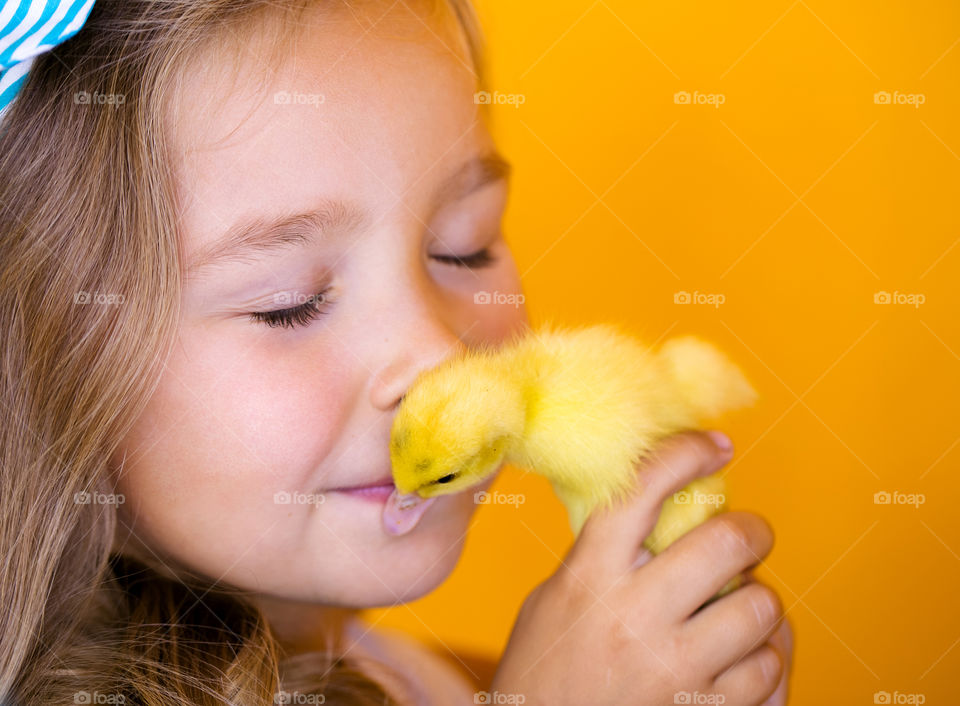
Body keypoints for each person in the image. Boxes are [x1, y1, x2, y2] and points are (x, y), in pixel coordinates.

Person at [0, 1, 793, 703]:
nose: (439, 356)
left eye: (465, 248)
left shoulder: (417, 675)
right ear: (37, 349)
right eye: (291, 303)